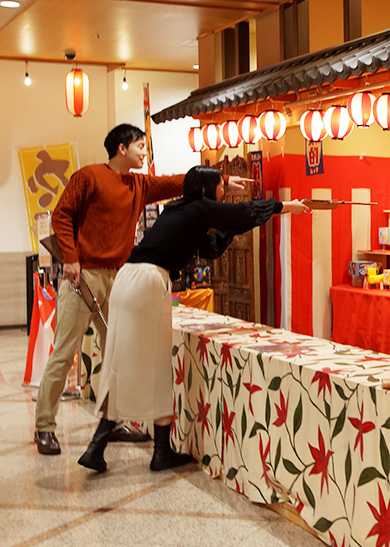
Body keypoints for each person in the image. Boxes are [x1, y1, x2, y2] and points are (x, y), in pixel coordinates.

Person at [78, 165, 309, 472]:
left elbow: (210, 249)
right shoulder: (200, 209)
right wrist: (284, 207)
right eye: (220, 185)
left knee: (125, 363)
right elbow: (242, 213)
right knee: (151, 365)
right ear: (206, 189)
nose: (223, 191)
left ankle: (121, 449)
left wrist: (230, 228)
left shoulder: (177, 211)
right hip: (147, 281)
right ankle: (119, 448)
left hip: (128, 279)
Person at [35, 124, 203, 455]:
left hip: (119, 279)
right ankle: (44, 425)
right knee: (65, 352)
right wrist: (71, 258)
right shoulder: (89, 177)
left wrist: (217, 181)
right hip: (83, 277)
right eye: (140, 145)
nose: (145, 151)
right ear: (122, 148)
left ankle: (113, 421)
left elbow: (177, 182)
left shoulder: (139, 184)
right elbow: (61, 216)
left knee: (119, 352)